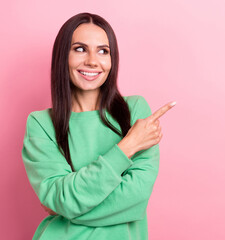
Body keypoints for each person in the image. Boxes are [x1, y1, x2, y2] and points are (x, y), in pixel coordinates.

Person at [21, 12, 176, 240]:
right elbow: (63, 199)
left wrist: (68, 208)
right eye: (80, 49)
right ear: (63, 56)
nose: (93, 61)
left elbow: (136, 197)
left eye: (103, 51)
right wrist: (127, 146)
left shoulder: (135, 112)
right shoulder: (41, 124)